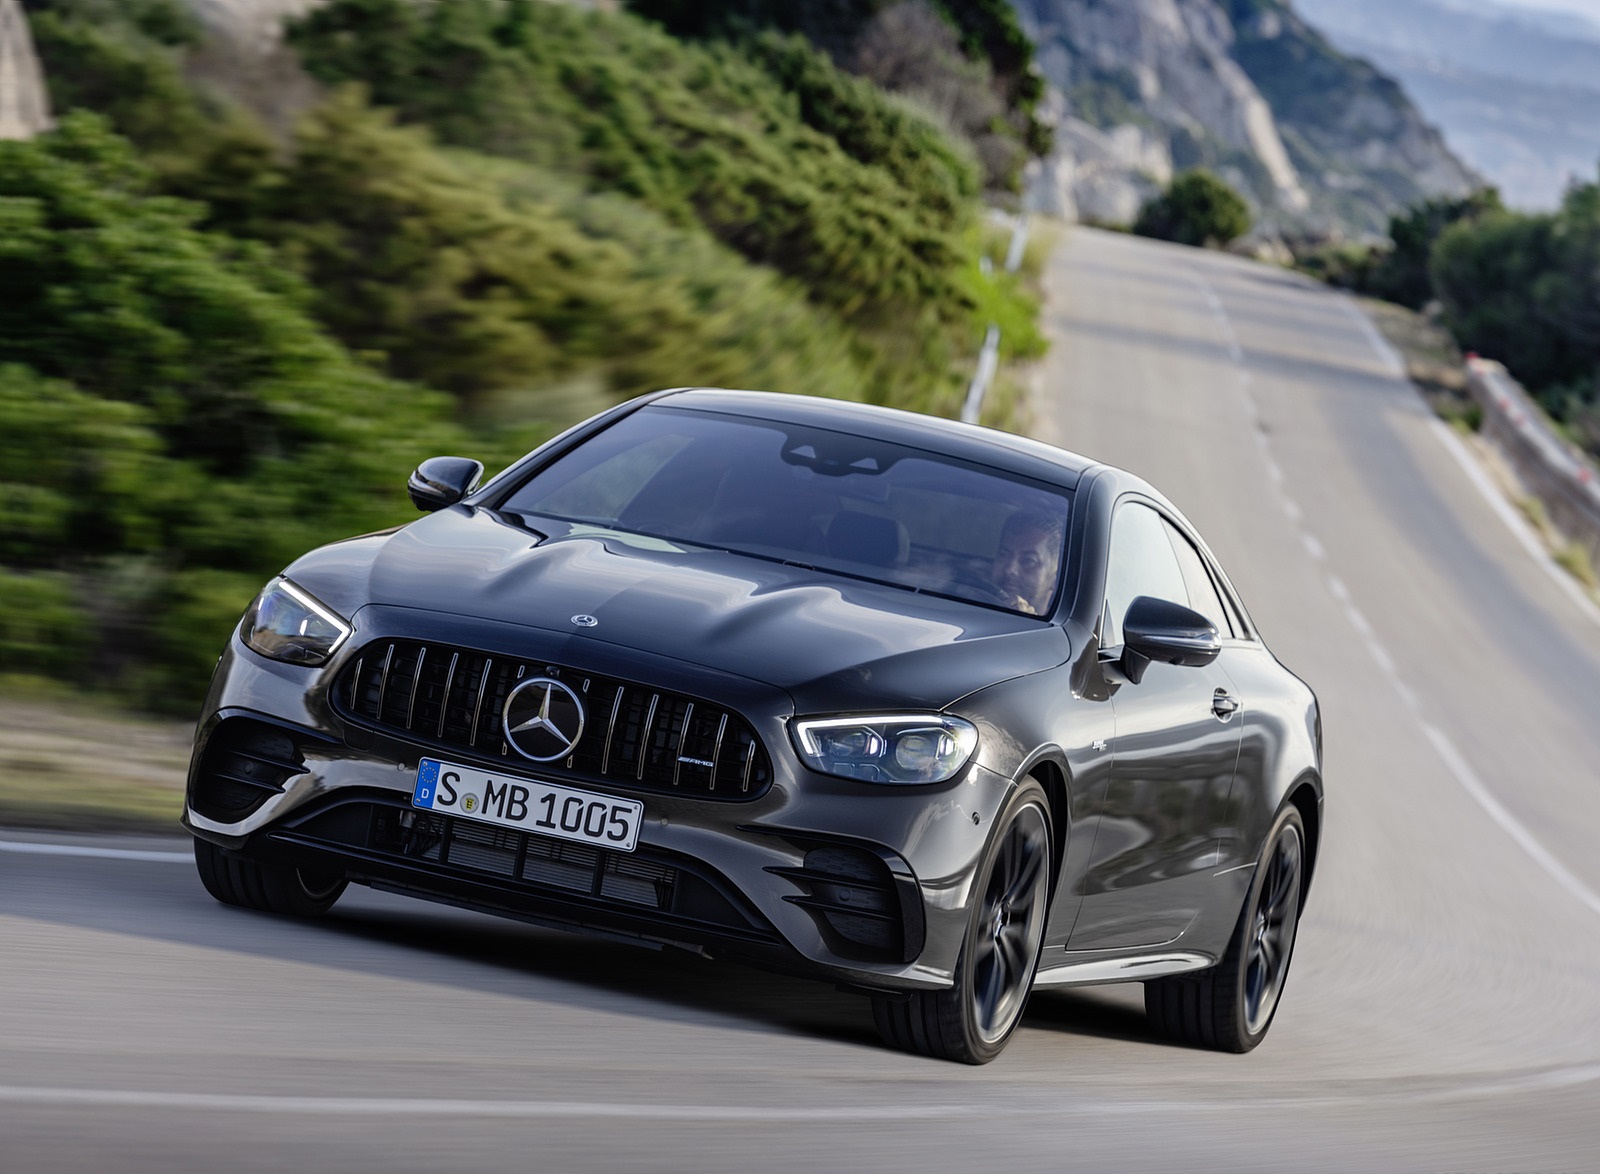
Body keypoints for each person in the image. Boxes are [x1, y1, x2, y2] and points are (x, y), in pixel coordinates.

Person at [991, 509, 1063, 615]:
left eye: (1028, 561)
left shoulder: (1058, 630)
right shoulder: (968, 602)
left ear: (1055, 579)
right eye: (1004, 555)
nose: (1010, 569)